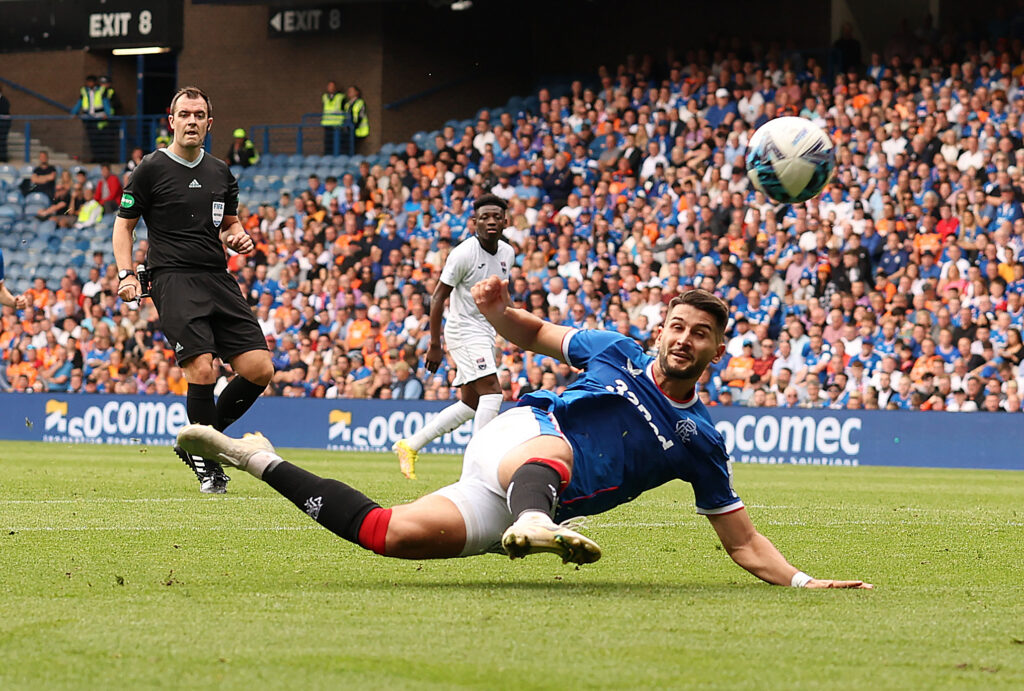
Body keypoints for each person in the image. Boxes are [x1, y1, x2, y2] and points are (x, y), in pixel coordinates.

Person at [177, 282, 871, 589]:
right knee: (553, 448)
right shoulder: (616, 350)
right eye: (678, 326)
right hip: (519, 435)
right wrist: (500, 311)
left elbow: (743, 541)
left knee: (391, 534)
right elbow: (536, 334)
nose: (684, 340)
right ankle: (537, 522)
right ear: (660, 328)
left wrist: (805, 580)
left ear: (719, 350)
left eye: (702, 334)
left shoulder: (699, 439)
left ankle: (255, 456)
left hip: (512, 495)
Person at [113, 86, 274, 493]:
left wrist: (239, 236)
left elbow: (230, 222)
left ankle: (199, 442)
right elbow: (124, 226)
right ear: (171, 121)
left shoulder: (220, 171)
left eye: (198, 115)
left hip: (217, 276)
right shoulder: (151, 168)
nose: (191, 121)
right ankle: (208, 464)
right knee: (203, 368)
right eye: (183, 114)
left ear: (208, 123)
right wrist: (126, 274)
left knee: (260, 369)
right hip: (172, 277)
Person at [392, 194, 514, 479]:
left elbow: (503, 294)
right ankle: (479, 469)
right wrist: (434, 344)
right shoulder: (462, 254)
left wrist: (511, 324)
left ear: (506, 221)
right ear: (474, 223)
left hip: (485, 331)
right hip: (462, 331)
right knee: (493, 393)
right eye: (484, 217)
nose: (491, 221)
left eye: (496, 216)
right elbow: (437, 298)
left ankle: (410, 445)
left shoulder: (508, 253)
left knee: (471, 403)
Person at [69, 75, 112, 162]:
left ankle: (102, 158)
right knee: (92, 140)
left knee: (101, 140)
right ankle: (96, 157)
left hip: (99, 118)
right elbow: (80, 102)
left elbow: (105, 102)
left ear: (95, 82)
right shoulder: (84, 91)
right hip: (88, 119)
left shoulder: (101, 90)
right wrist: (74, 112)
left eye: (91, 82)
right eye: (88, 82)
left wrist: (108, 114)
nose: (89, 84)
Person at [320, 81, 346, 156]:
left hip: (337, 124)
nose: (330, 88)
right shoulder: (324, 97)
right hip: (327, 124)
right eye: (329, 86)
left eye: (332, 86)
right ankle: (327, 156)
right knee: (328, 142)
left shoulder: (340, 97)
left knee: (337, 142)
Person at [344, 85, 368, 155]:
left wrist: (355, 126)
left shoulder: (360, 102)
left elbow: (361, 115)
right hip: (349, 129)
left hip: (358, 129)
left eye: (351, 91)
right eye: (349, 91)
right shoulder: (347, 104)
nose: (349, 93)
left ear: (357, 92)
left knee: (355, 147)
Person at [0, 84, 10, 162]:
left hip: (3, 125)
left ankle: (3, 157)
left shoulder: (4, 101)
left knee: (2, 141)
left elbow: (5, 112)